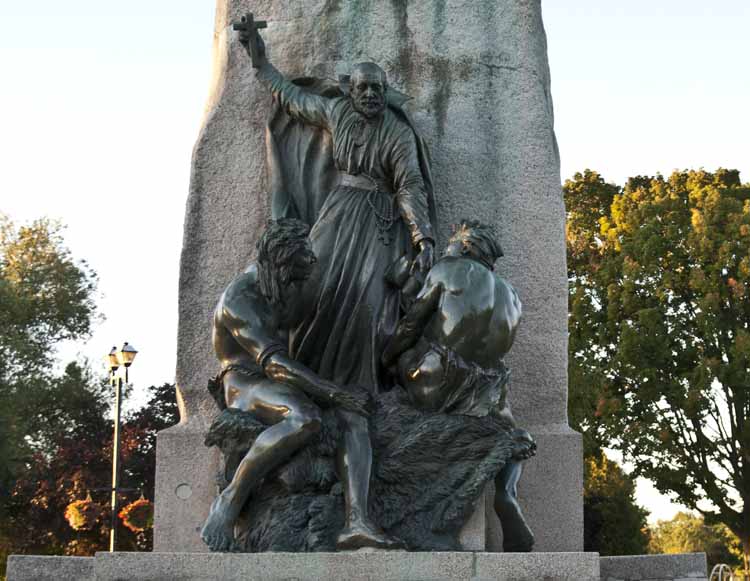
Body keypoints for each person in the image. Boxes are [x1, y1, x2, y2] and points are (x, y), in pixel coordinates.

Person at [201, 219, 398, 552]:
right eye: (296, 275)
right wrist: (335, 392)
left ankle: (358, 523)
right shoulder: (240, 298)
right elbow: (275, 364)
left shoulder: (277, 286)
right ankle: (229, 501)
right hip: (242, 383)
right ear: (278, 264)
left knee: (353, 418)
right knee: (304, 417)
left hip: (277, 381)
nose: (300, 283)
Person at [381, 219, 536, 551]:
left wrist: (387, 357)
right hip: (490, 392)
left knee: (405, 359)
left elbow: (411, 325)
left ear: (465, 246)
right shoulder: (512, 295)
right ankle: (506, 494)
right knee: (511, 433)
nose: (448, 249)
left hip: (438, 379)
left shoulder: (447, 270)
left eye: (452, 244)